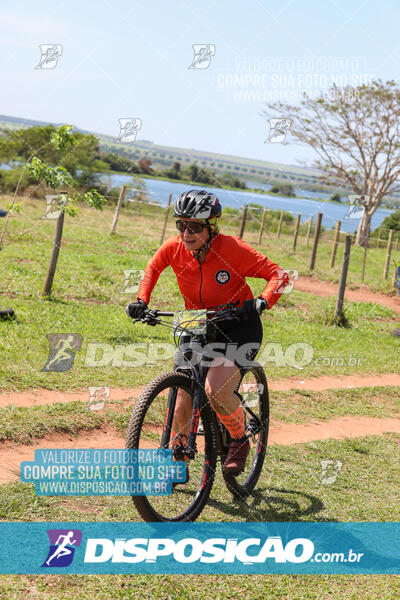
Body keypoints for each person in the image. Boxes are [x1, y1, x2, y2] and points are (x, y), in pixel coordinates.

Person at [126, 189, 289, 474]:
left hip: (237, 324)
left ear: (212, 227)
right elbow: (152, 269)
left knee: (216, 391)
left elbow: (279, 275)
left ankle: (239, 439)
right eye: (181, 225)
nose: (187, 233)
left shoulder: (232, 249)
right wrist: (142, 301)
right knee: (181, 396)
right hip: (196, 320)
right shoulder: (174, 247)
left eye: (195, 226)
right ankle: (177, 461)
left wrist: (262, 302)